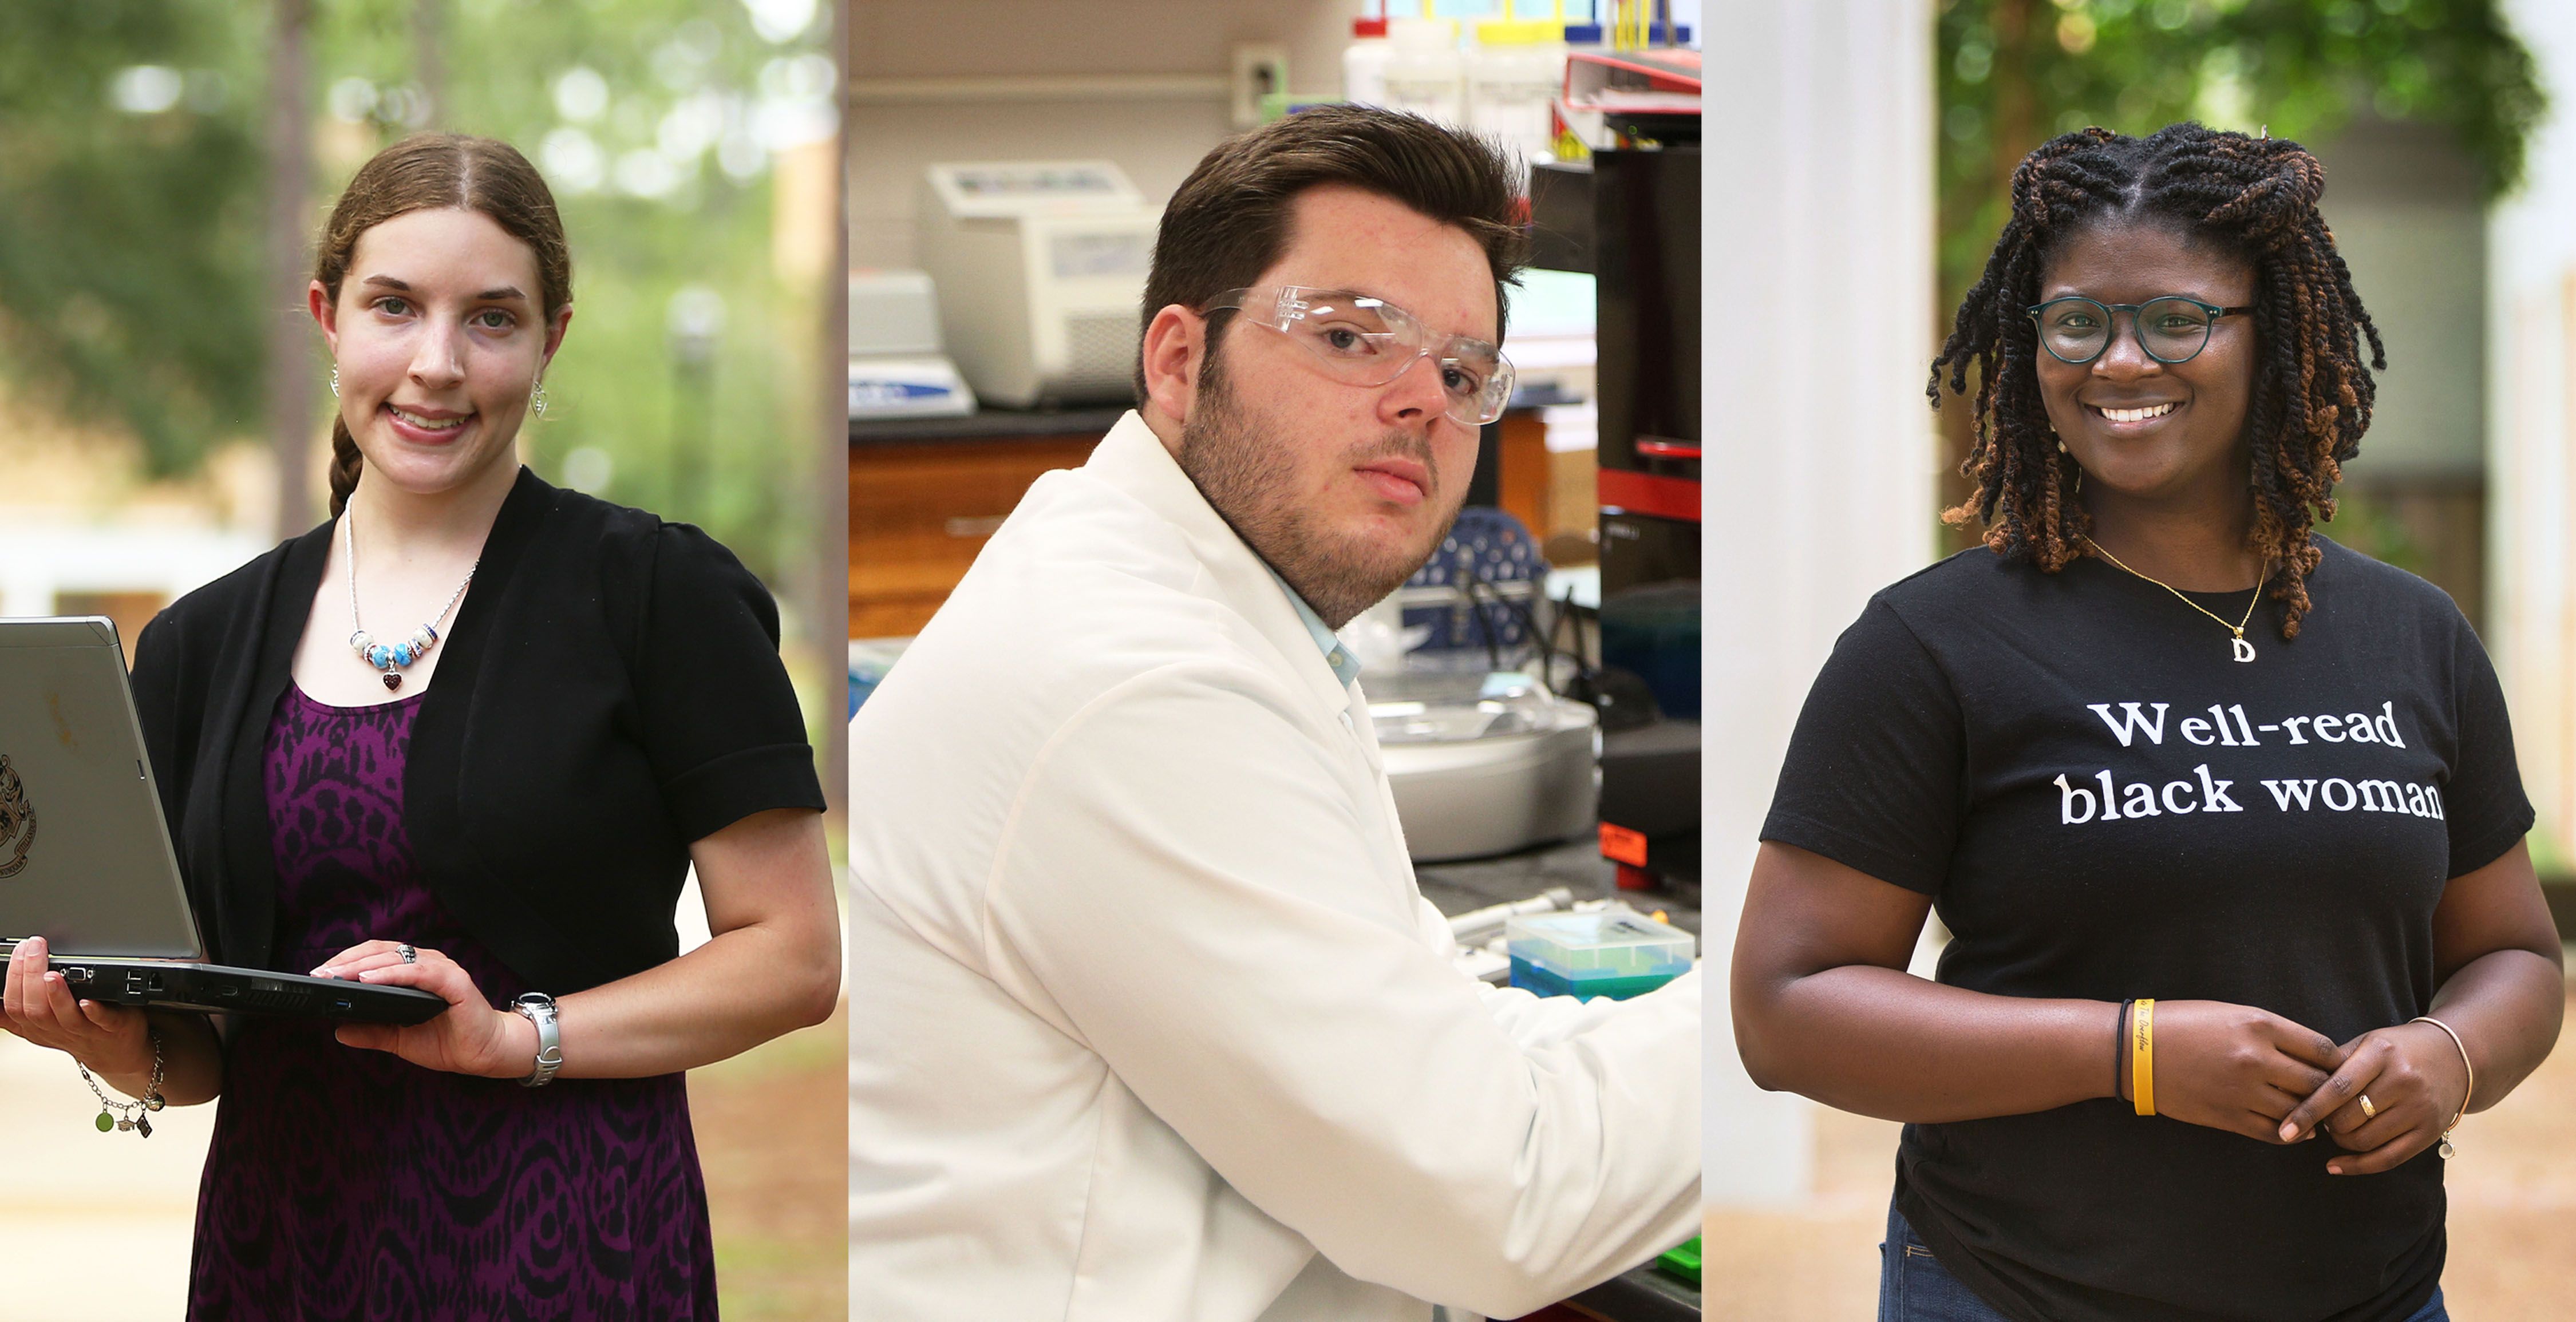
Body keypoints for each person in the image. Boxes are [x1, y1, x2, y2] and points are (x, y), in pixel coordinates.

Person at [846, 105, 1700, 1322]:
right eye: (1353, 336)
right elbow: (1501, 1201)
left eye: (1462, 373)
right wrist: (1809, 990)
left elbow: (1426, 1032)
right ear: (1180, 361)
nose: (1421, 401)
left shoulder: (1207, 605)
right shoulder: (1134, 683)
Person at [1730, 123, 2563, 1322]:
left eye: (2176, 319)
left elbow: (2519, 956)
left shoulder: (2413, 635)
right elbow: (1784, 1007)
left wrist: (2453, 1053)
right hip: (2021, 1291)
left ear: (2269, 328)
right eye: (2076, 322)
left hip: (2369, 1297)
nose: (2119, 361)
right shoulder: (1934, 645)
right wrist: (2130, 1053)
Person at [0, 133, 839, 1316]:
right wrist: (94, 1039)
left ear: (550, 339)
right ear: (327, 315)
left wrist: (517, 1037)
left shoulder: (659, 597)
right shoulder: (198, 647)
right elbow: (198, 1054)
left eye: (491, 319)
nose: (435, 364)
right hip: (286, 1253)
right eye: (394, 306)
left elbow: (795, 958)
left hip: (571, 1249)